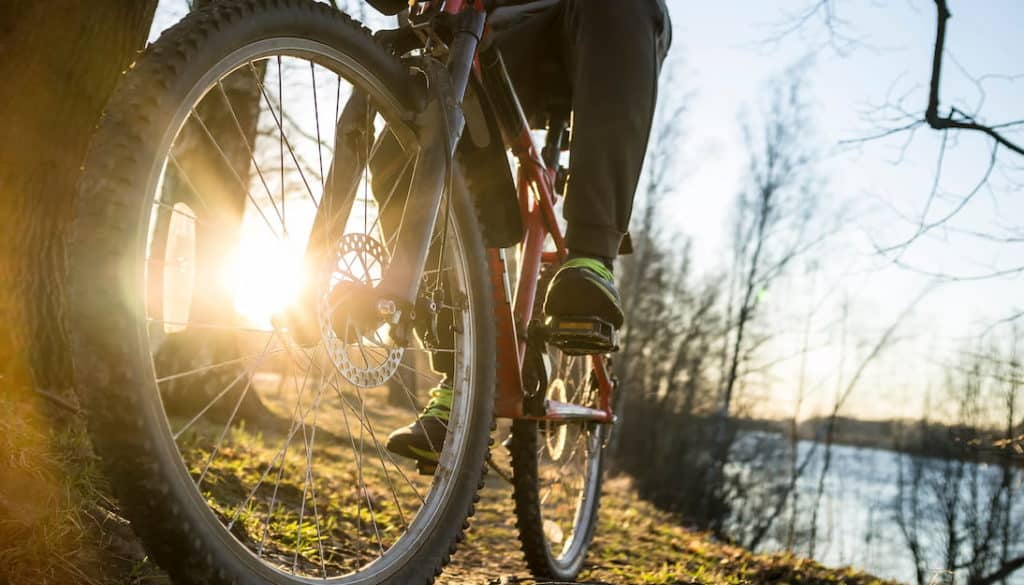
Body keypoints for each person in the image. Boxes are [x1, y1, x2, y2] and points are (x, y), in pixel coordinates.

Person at [386, 0, 673, 465]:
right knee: (418, 108)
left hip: (594, 22)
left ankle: (590, 261)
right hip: (500, 21)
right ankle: (458, 366)